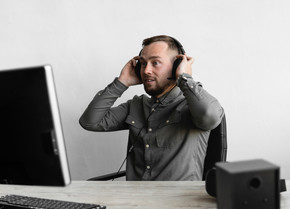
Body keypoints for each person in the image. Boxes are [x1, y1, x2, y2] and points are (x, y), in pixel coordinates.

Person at [79, 35, 224, 180]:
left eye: (155, 62)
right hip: (135, 199)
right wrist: (121, 83)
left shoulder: (193, 105)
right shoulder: (136, 106)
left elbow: (211, 117)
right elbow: (90, 122)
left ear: (176, 66)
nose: (146, 70)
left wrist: (184, 78)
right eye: (142, 63)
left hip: (177, 200)